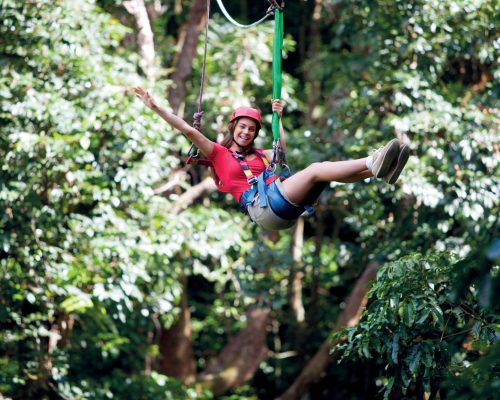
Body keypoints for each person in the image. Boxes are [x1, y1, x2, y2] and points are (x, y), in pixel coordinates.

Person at [133, 87, 410, 231]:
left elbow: (280, 149)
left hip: (282, 206)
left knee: (324, 173)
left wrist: (278, 117)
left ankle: (378, 171)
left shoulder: (259, 155)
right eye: (242, 127)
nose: (246, 132)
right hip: (265, 207)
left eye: (251, 130)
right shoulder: (218, 153)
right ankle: (371, 161)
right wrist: (156, 107)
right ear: (233, 128)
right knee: (316, 169)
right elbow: (187, 129)